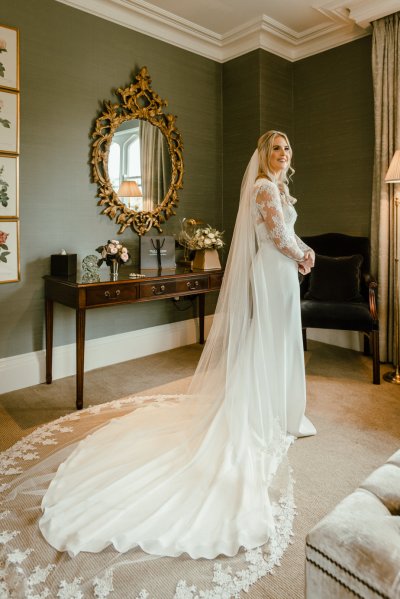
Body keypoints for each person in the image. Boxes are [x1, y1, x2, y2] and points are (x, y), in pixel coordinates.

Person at [38, 130, 316, 562]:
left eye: (287, 147)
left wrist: (297, 254)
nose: (284, 153)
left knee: (276, 339)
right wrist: (305, 252)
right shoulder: (263, 187)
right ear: (263, 155)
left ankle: (277, 407)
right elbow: (279, 236)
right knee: (268, 339)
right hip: (275, 268)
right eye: (277, 148)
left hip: (281, 272)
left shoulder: (278, 187)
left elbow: (281, 233)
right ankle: (261, 411)